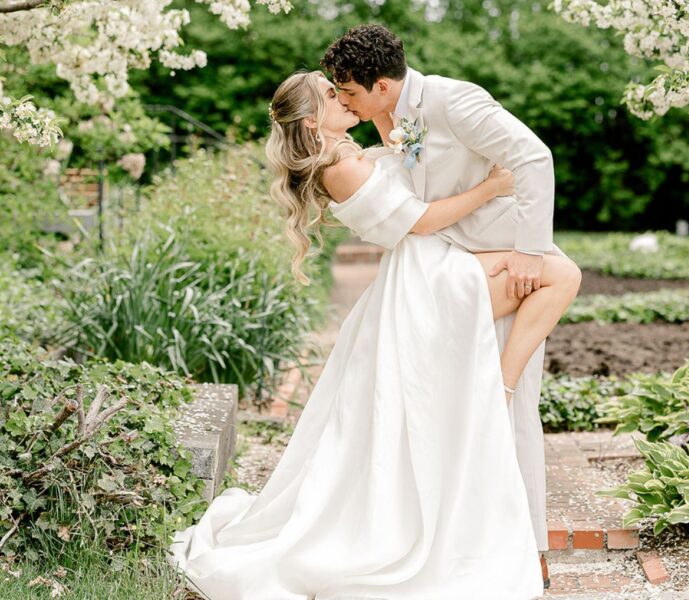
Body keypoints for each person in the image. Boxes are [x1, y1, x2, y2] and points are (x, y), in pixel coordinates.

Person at [167, 67, 580, 599]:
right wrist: (491, 187)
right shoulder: (337, 167)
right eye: (331, 94)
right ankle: (498, 387)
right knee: (560, 274)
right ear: (314, 120)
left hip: (435, 268)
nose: (342, 97)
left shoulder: (353, 146)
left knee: (557, 276)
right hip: (429, 279)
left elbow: (418, 167)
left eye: (343, 90)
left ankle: (497, 390)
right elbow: (420, 222)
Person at [320, 24, 581, 586]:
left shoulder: (454, 100)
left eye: (349, 92)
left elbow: (534, 158)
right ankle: (449, 538)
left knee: (509, 405)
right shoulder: (382, 118)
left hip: (502, 258)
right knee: (444, 409)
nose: (342, 101)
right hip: (442, 268)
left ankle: (525, 551)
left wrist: (532, 253)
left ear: (383, 85)